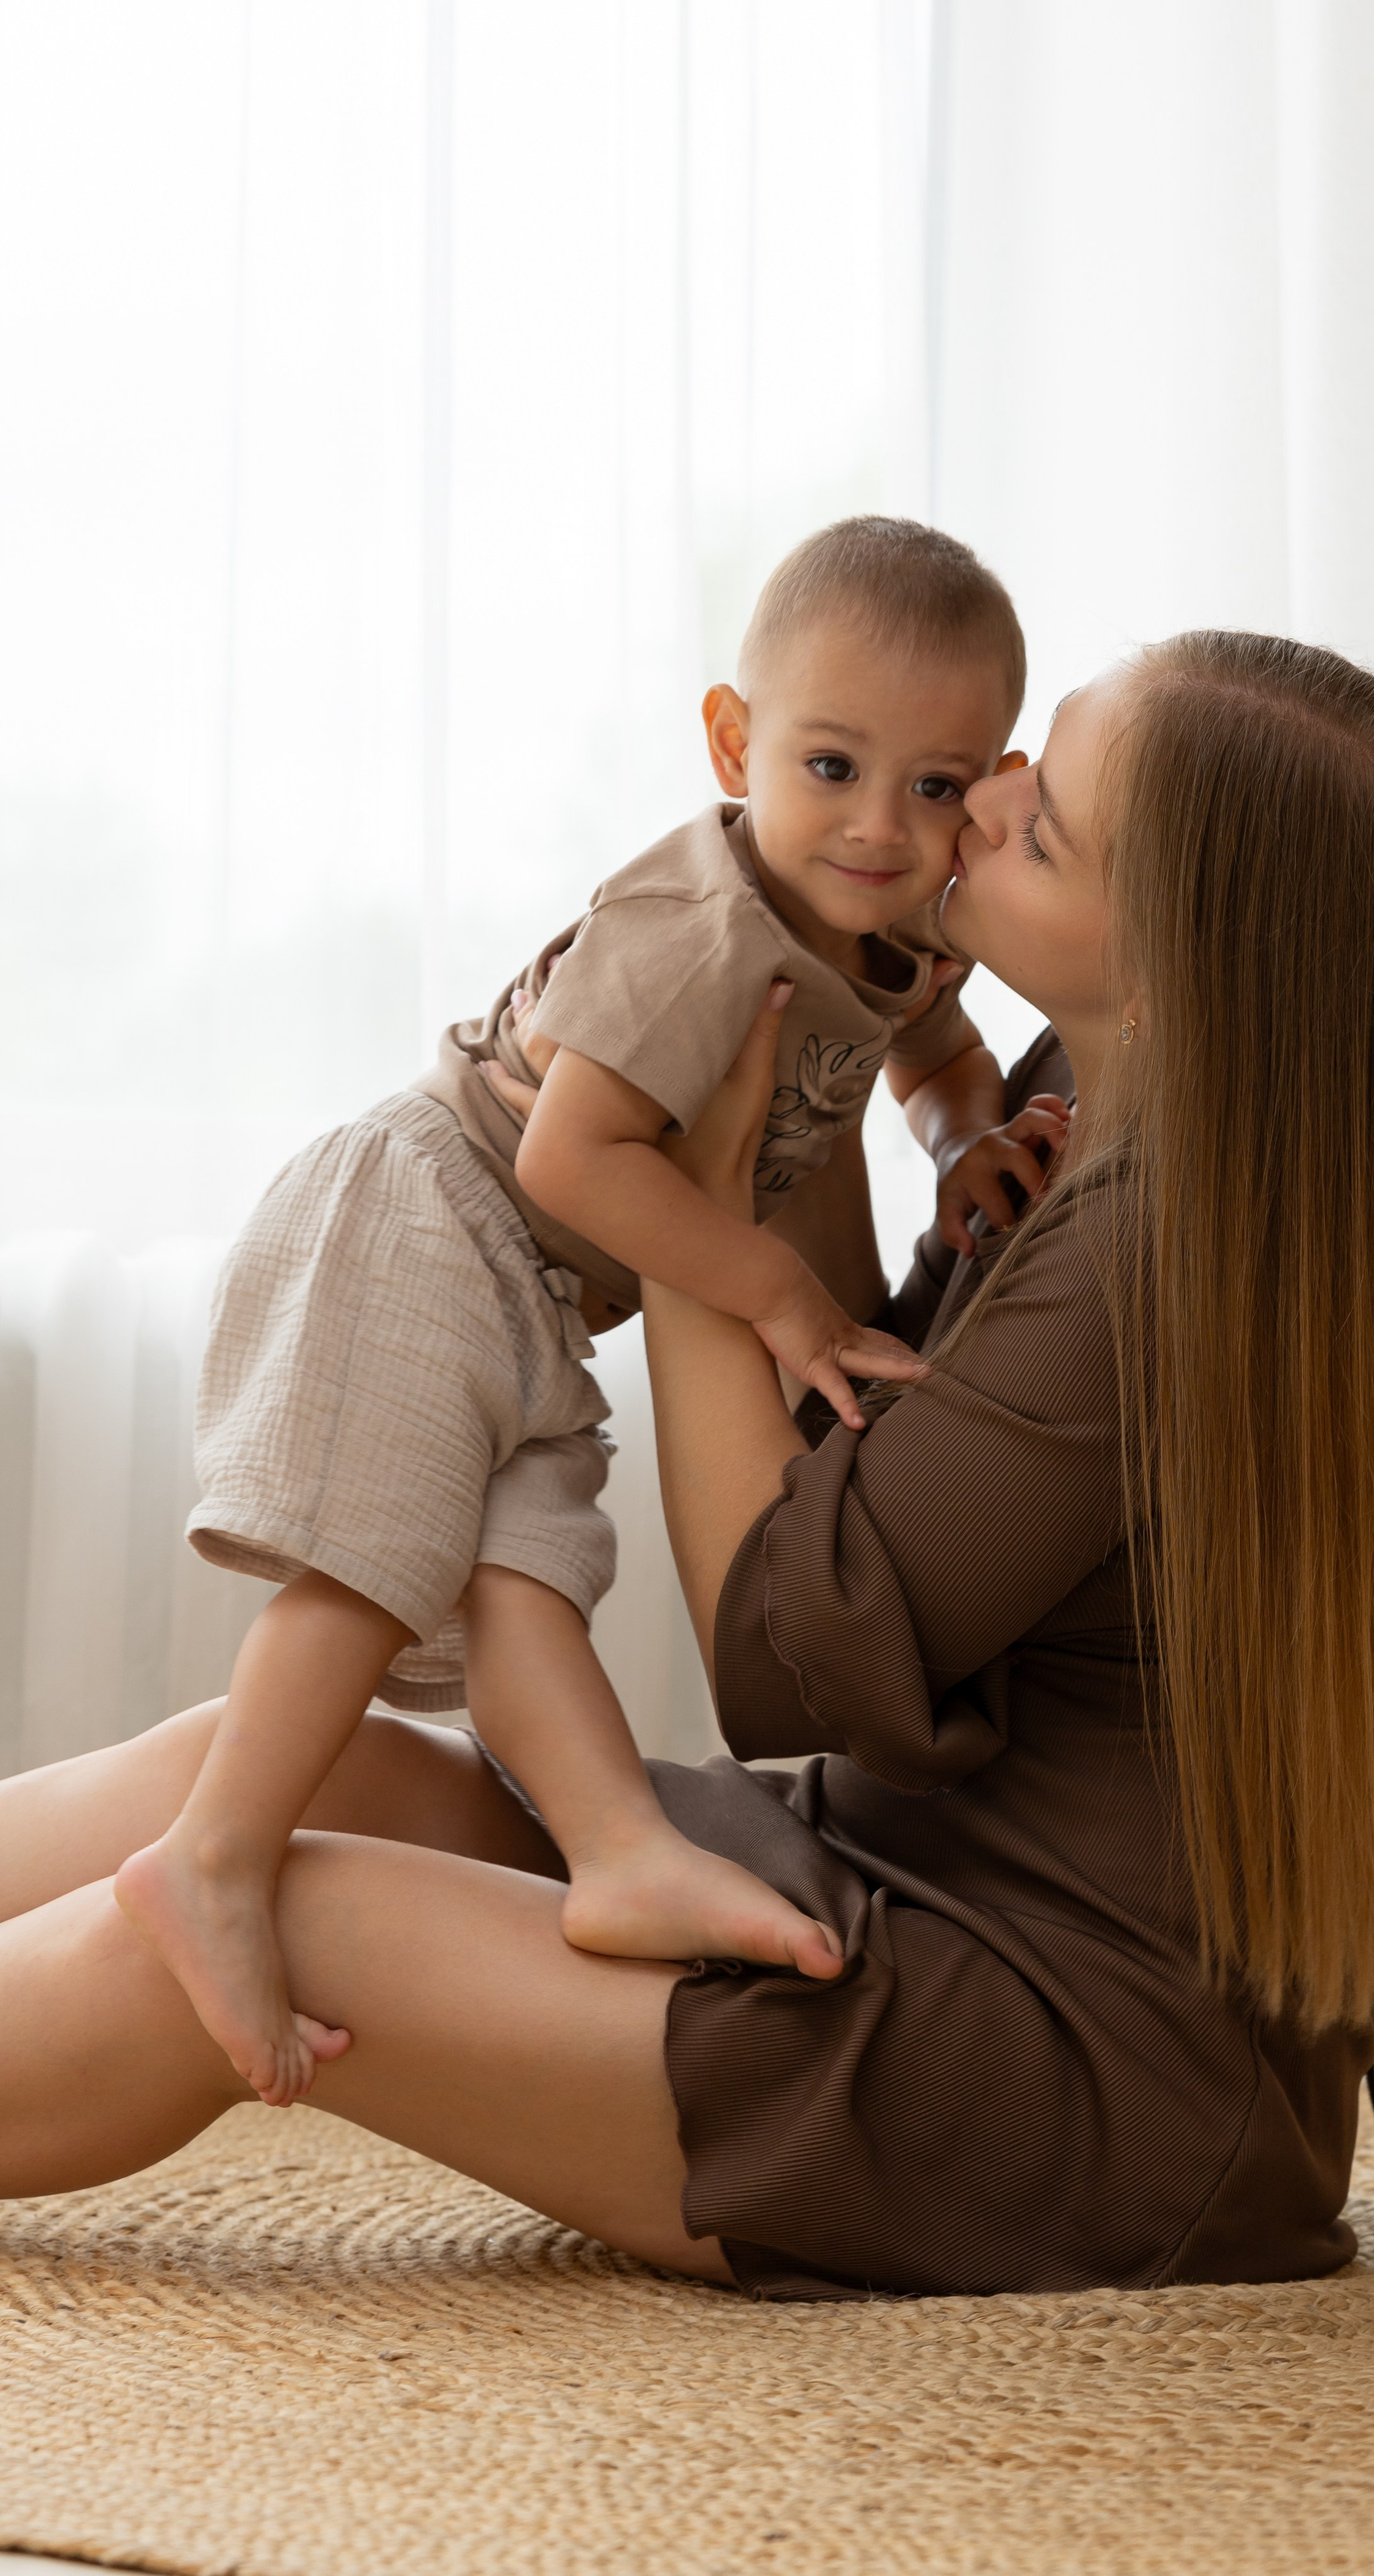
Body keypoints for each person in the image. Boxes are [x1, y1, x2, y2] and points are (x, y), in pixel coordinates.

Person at [0, 631, 1374, 2302]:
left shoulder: (1162, 1261)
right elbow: (859, 1431)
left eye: (1043, 824)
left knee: (290, 1902)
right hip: (906, 1879)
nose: (978, 803)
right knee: (266, 1763)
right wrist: (803, 1099)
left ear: (1172, 980)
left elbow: (780, 1645)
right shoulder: (1087, 1117)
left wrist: (704, 1190)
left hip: (1068, 2074)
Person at [114, 516, 1069, 2113]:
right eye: (828, 766)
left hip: (537, 1279)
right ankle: (211, 1855)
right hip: (430, 1207)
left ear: (984, 787)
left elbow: (938, 1060)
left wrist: (964, 1141)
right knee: (387, 1559)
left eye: (931, 786)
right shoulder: (699, 922)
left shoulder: (892, 931)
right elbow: (567, 1145)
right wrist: (772, 1290)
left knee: (531, 1569)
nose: (875, 829)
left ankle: (618, 1849)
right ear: (732, 739)